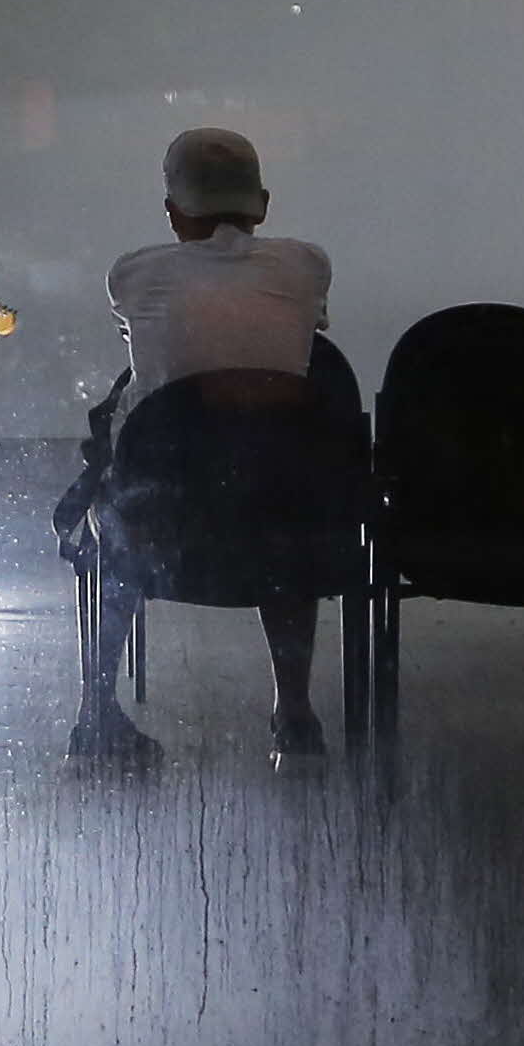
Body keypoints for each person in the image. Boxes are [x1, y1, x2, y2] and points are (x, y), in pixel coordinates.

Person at [73, 123, 341, 767]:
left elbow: (148, 363)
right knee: (284, 503)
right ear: (264, 205)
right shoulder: (307, 264)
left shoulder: (134, 274)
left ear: (171, 211)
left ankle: (97, 707)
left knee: (107, 517)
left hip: (167, 513)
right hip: (275, 508)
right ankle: (294, 707)